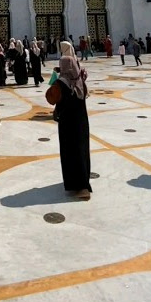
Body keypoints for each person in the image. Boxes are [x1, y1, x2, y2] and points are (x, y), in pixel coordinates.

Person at [55, 43, 92, 200]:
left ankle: (79, 186)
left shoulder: (62, 83)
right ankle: (83, 182)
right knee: (81, 150)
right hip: (81, 123)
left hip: (67, 124)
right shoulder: (80, 80)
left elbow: (54, 99)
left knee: (70, 152)